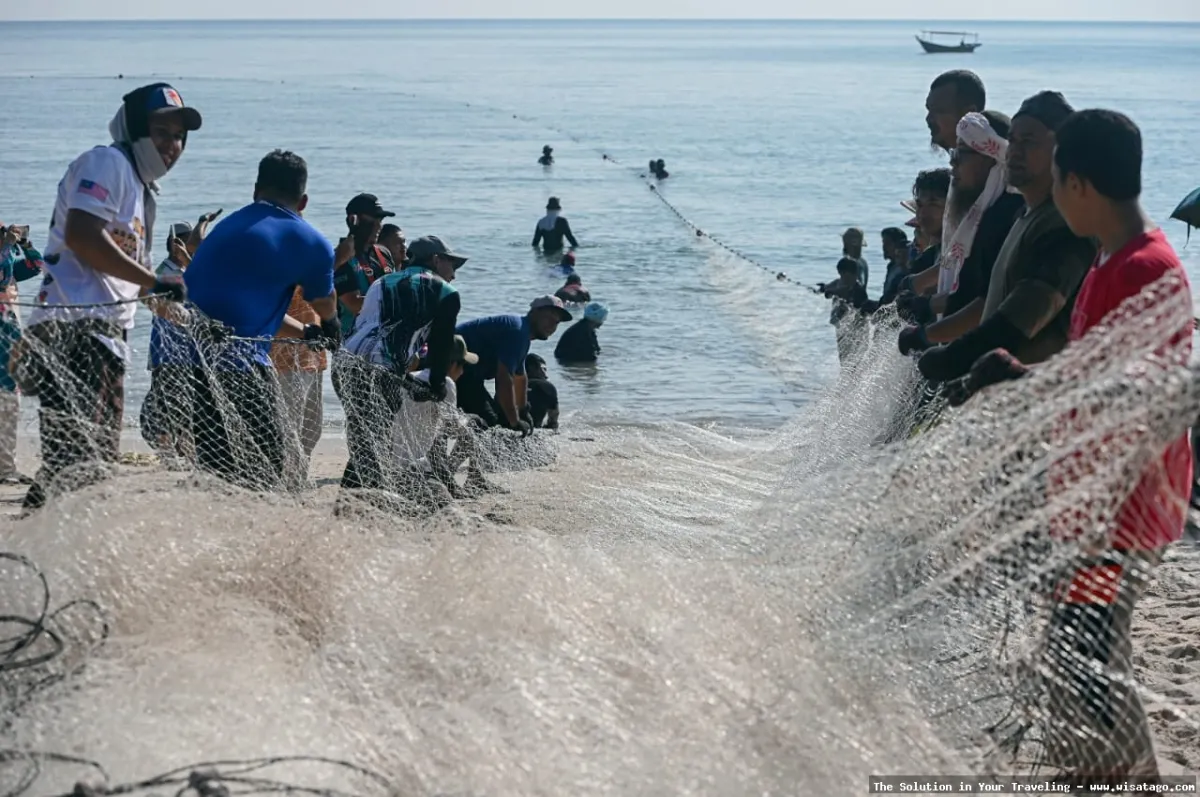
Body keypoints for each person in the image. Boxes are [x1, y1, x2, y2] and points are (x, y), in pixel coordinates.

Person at [960, 109, 1193, 787]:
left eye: (1059, 179)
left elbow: (1149, 397)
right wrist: (1026, 374)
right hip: (1092, 503)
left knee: (1090, 657)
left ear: (1079, 184)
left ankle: (1129, 777)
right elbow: (1096, 370)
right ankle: (1104, 775)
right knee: (1082, 650)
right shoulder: (1111, 261)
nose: (1055, 195)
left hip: (1122, 511)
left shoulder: (1146, 269)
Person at [15, 83, 196, 511]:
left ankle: (34, 547)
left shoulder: (140, 190)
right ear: (134, 128)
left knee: (80, 467)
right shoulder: (108, 162)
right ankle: (49, 558)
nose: (173, 145)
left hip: (103, 341)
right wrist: (154, 283)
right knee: (83, 472)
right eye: (162, 132)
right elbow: (81, 234)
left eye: (179, 137)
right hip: (75, 336)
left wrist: (178, 308)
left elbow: (131, 282)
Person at [182, 149, 339, 491]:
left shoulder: (228, 229)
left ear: (255, 191)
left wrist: (304, 332)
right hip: (240, 368)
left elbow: (249, 310)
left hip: (196, 367)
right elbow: (324, 300)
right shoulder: (310, 240)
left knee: (219, 470)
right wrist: (331, 325)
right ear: (304, 200)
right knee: (266, 468)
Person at [918, 91, 1095, 384]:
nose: (1014, 151)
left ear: (1062, 151)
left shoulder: (1065, 227)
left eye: (1029, 142)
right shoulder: (1024, 215)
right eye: (1012, 140)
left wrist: (950, 357)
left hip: (1042, 404)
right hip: (1002, 398)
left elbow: (1019, 318)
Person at [339, 235, 465, 492]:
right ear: (436, 260)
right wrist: (437, 383)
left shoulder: (382, 282)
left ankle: (354, 500)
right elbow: (441, 345)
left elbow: (375, 330)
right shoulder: (446, 292)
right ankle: (357, 501)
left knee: (365, 436)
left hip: (345, 363)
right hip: (379, 372)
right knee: (373, 439)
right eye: (452, 265)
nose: (454, 274)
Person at [898, 111, 1024, 355]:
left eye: (962, 154)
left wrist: (925, 327)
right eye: (954, 154)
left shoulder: (1005, 216)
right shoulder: (978, 216)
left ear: (992, 156)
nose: (952, 163)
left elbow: (988, 302)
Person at [139, 214, 220, 468]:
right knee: (168, 403)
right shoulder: (165, 272)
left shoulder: (189, 268)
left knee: (189, 403)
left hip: (191, 350)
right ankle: (168, 454)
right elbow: (156, 305)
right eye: (185, 242)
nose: (191, 247)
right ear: (175, 244)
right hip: (168, 350)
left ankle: (187, 452)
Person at [393, 335, 497, 504]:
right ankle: (466, 482)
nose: (463, 372)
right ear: (451, 364)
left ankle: (466, 481)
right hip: (417, 467)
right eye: (462, 365)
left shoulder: (411, 378)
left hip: (396, 465)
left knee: (453, 425)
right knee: (469, 424)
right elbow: (453, 430)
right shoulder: (445, 383)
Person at [456, 296, 572, 433]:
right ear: (534, 312)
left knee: (496, 421)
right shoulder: (517, 331)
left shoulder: (522, 333)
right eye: (549, 318)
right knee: (490, 424)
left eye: (556, 322)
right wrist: (514, 420)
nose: (552, 326)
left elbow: (520, 378)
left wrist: (523, 410)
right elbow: (504, 378)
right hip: (452, 366)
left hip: (469, 375)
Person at [0, 223, 45, 485]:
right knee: (6, 403)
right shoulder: (4, 263)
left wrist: (25, 244)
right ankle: (5, 469)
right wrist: (6, 244)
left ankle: (6, 466)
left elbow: (37, 265)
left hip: (9, 341)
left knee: (9, 405)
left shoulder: (9, 265)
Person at [269, 287, 328, 487]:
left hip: (313, 357)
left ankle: (298, 478)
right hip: (285, 357)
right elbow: (269, 310)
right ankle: (285, 480)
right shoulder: (277, 267)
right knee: (289, 427)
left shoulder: (312, 270)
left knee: (313, 427)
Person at [334, 193, 396, 337]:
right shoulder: (341, 258)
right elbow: (354, 304)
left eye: (380, 220)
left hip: (381, 339)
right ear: (353, 220)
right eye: (373, 220)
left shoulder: (383, 253)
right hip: (350, 343)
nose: (378, 226)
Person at [821, 257, 869, 365]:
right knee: (843, 355)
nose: (843, 278)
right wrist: (824, 288)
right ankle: (845, 373)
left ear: (853, 274)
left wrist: (831, 291)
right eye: (841, 275)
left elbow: (837, 292)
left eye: (845, 275)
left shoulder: (857, 289)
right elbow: (828, 290)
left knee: (854, 355)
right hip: (841, 325)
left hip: (856, 327)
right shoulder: (839, 282)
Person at [925, 69, 986, 151]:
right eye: (929, 110)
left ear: (970, 113)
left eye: (939, 111)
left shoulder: (994, 162)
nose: (929, 119)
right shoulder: (966, 161)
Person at [876, 227, 911, 307]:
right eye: (883, 243)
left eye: (888, 244)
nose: (884, 247)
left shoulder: (904, 269)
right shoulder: (891, 266)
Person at [525, 353, 559, 429]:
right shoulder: (547, 386)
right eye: (543, 369)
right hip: (532, 429)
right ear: (532, 368)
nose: (546, 375)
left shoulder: (509, 384)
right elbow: (553, 417)